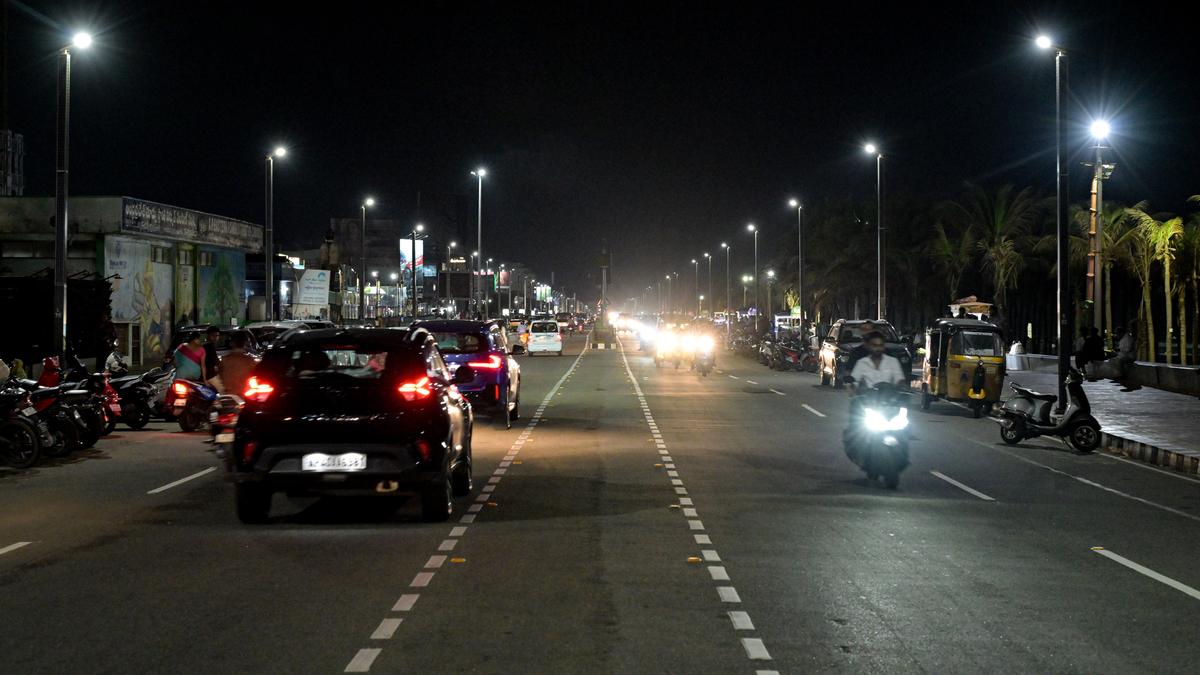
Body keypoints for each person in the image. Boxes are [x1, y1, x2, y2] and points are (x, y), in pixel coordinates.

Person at [203, 326, 223, 390]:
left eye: (217, 336)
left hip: (204, 376)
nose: (215, 338)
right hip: (210, 376)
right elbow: (216, 361)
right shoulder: (209, 346)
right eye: (213, 336)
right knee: (223, 391)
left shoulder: (203, 346)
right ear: (207, 335)